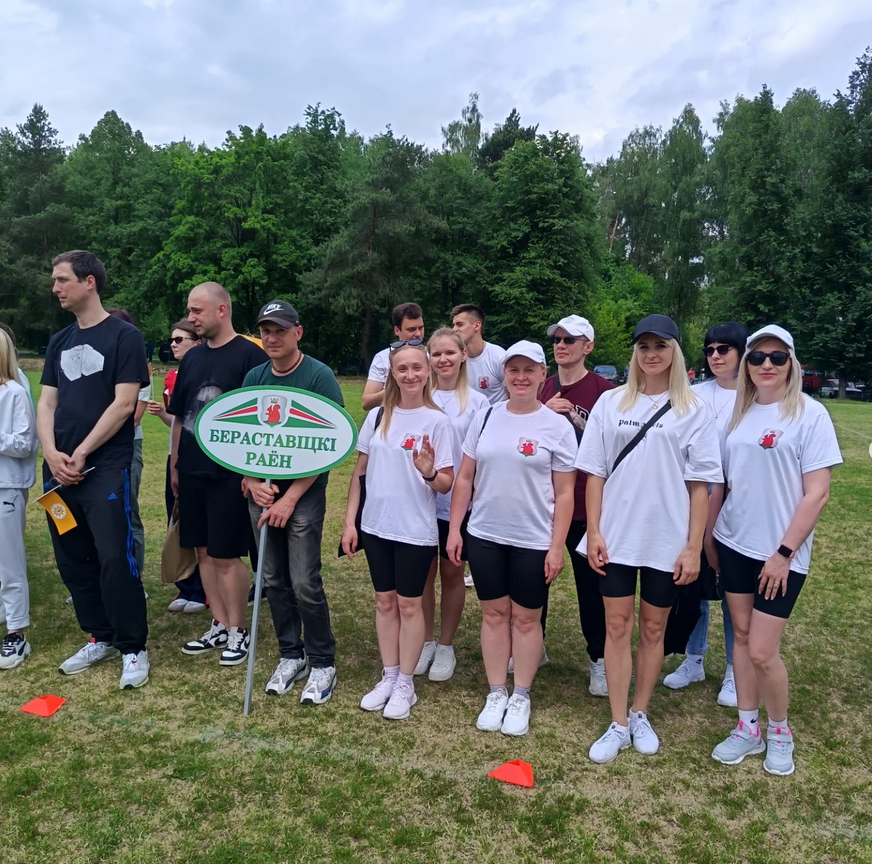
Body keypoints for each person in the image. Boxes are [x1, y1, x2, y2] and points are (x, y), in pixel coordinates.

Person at [578, 314, 722, 763]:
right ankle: (618, 722)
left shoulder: (695, 409)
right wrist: (595, 530)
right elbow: (595, 474)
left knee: (654, 628)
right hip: (616, 536)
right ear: (634, 353)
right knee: (617, 627)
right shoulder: (611, 403)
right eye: (643, 346)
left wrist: (693, 546)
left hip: (666, 539)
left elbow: (701, 486)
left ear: (675, 352)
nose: (651, 354)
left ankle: (641, 712)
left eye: (660, 346)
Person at [709, 325, 841, 776]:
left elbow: (817, 493)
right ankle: (748, 728)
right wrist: (709, 538)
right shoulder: (738, 415)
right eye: (758, 357)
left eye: (777, 357)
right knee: (741, 641)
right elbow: (722, 484)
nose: (767, 364)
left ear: (792, 364)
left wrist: (783, 553)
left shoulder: (810, 414)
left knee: (763, 650)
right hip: (733, 544)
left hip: (780, 555)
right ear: (747, 365)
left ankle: (779, 731)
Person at [447, 341, 576, 737]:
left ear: (542, 375)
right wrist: (455, 528)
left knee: (526, 618)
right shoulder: (486, 416)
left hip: (533, 539)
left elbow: (567, 492)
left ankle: (521, 693)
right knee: (493, 614)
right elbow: (465, 477)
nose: (520, 377)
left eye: (529, 370)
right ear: (505, 374)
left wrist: (557, 546)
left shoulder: (556, 426)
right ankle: (496, 691)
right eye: (513, 370)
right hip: (485, 533)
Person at [37, 250, 151, 689]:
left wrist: (81, 452)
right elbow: (48, 401)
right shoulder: (59, 341)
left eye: (62, 279)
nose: (55, 287)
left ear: (89, 282)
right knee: (71, 556)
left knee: (112, 558)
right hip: (58, 473)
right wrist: (51, 452)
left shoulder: (125, 337)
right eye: (54, 279)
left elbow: (124, 404)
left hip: (103, 469)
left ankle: (133, 647)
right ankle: (99, 635)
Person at [341, 341, 454, 720]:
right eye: (402, 369)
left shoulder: (437, 421)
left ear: (428, 372)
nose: (410, 375)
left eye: (416, 368)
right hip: (375, 526)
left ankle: (406, 683)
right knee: (384, 602)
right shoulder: (377, 417)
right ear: (392, 373)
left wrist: (427, 471)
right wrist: (349, 523)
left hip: (414, 530)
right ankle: (389, 676)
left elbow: (446, 484)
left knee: (409, 605)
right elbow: (360, 474)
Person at [241, 301, 343, 704]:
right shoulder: (255, 376)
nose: (271, 337)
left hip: (303, 493)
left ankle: (322, 660)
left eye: (280, 330)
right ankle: (290, 653)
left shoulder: (318, 376)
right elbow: (238, 437)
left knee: (303, 580)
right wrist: (249, 480)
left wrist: (290, 498)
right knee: (272, 579)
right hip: (261, 491)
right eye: (266, 330)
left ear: (297, 332)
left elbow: (328, 445)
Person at [168, 282, 267, 666]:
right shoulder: (191, 358)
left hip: (230, 473)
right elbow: (180, 417)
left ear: (222, 310)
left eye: (197, 311)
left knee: (227, 554)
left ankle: (239, 631)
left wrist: (250, 472)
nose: (191, 318)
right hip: (191, 469)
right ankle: (220, 623)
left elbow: (259, 419)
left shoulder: (249, 355)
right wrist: (176, 464)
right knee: (203, 551)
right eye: (190, 312)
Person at [663, 322, 748, 707]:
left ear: (741, 353)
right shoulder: (694, 396)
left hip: (737, 502)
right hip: (693, 498)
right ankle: (693, 658)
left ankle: (734, 669)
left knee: (733, 590)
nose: (716, 356)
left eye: (724, 349)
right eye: (710, 350)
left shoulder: (753, 398)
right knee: (694, 582)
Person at [539, 315, 613, 696]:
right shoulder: (540, 387)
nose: (561, 344)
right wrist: (542, 412)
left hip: (587, 506)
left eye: (571, 339)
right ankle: (534, 646)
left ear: (589, 346)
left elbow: (614, 450)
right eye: (557, 338)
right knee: (535, 581)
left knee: (591, 588)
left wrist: (576, 418)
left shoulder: (606, 392)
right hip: (543, 505)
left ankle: (598, 660)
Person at [413, 328, 488, 681]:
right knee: (424, 576)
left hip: (457, 505)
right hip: (419, 501)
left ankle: (446, 645)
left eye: (449, 353)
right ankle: (425, 640)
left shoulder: (477, 403)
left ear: (462, 356)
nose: (443, 359)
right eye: (436, 354)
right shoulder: (417, 399)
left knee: (452, 572)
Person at [147, 319, 207, 612]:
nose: (173, 344)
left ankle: (204, 591)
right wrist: (161, 415)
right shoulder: (172, 377)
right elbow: (178, 424)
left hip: (201, 458)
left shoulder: (207, 372)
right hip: (179, 456)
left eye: (180, 339)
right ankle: (186, 585)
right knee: (178, 519)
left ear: (198, 343)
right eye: (172, 339)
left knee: (199, 525)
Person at [0, 329, 38, 669]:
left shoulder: (13, 392)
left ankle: (17, 633)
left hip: (6, 487)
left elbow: (25, 443)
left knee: (10, 564)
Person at [105, 308, 150, 578]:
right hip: (96, 448)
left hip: (126, 446)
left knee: (127, 510)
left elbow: (132, 417)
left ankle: (136, 577)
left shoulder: (137, 365)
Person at [361, 303, 425, 411]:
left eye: (421, 328)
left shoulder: (433, 356)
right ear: (397, 330)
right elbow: (366, 403)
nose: (418, 334)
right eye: (411, 329)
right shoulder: (382, 358)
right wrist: (395, 388)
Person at [451, 304, 507, 405]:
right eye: (454, 325)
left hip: (493, 418)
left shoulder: (499, 357)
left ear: (477, 325)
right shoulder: (453, 359)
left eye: (460, 324)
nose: (454, 329)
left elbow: (513, 393)